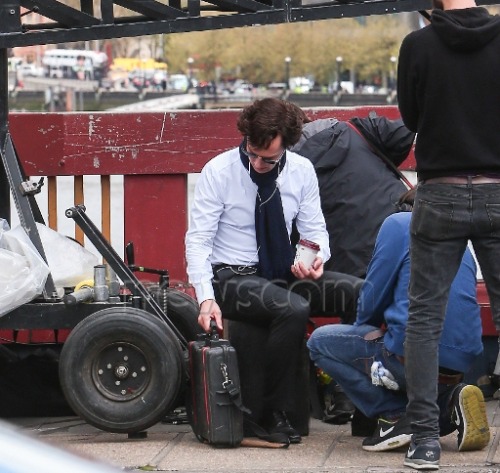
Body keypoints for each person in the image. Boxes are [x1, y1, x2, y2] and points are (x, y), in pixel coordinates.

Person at [185, 97, 361, 444]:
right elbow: (198, 242)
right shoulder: (219, 172)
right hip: (234, 277)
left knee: (358, 292)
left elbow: (316, 233)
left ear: (287, 147)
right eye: (251, 153)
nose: (257, 163)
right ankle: (263, 413)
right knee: (291, 308)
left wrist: (311, 257)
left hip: (283, 271)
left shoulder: (300, 170)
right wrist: (206, 298)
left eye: (269, 159)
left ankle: (367, 409)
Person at [307, 189, 490, 456]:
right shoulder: (459, 238)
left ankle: (393, 415)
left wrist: (363, 328)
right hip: (459, 365)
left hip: (412, 358)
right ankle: (450, 401)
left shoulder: (399, 224)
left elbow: (372, 295)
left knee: (320, 342)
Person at [397, 0, 500, 468]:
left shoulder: (417, 45)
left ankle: (424, 441)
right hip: (499, 190)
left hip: (440, 192)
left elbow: (411, 119)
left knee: (423, 320)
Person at [291, 110, 415, 278]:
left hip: (347, 272)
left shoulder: (283, 173)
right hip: (403, 239)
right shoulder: (354, 130)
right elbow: (405, 131)